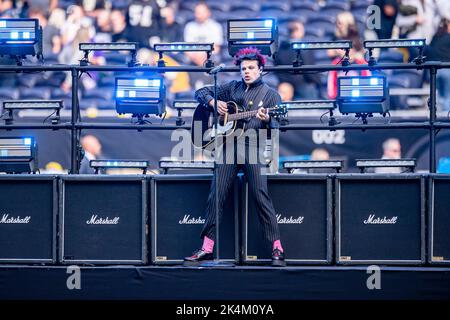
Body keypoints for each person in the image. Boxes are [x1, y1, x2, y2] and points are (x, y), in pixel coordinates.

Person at [184, 47, 286, 267]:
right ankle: (207, 248)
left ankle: (277, 247)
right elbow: (200, 92)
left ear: (261, 69)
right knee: (216, 195)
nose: (247, 72)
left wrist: (268, 119)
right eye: (243, 68)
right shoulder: (231, 89)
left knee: (260, 195)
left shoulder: (271, 95)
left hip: (253, 148)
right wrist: (213, 103)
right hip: (228, 147)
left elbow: (281, 125)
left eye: (251, 68)